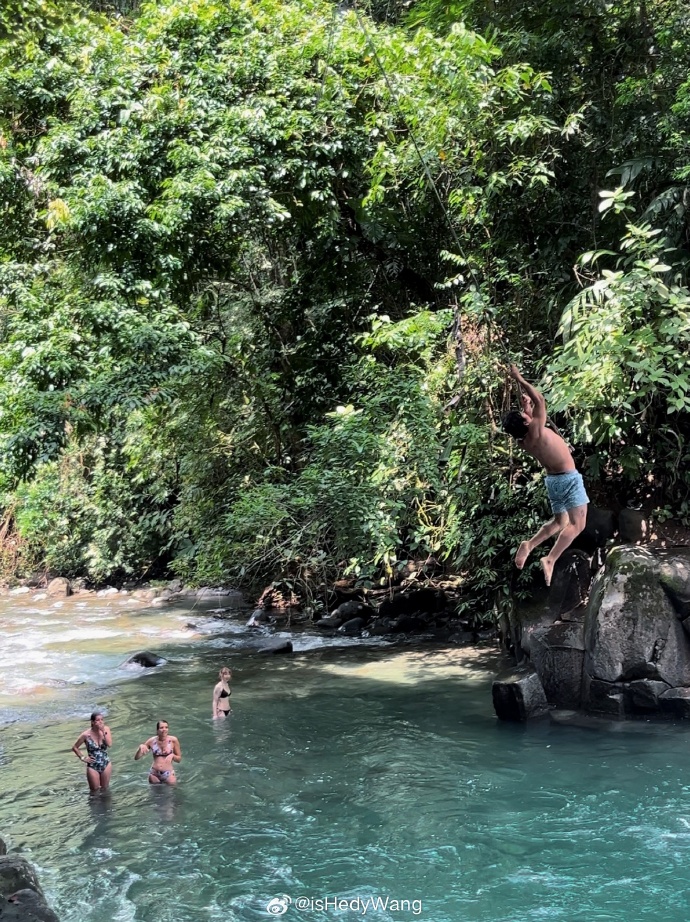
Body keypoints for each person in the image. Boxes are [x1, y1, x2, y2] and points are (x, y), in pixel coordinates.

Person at [502, 364, 589, 586]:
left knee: (560, 522)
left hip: (553, 482)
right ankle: (550, 559)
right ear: (525, 422)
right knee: (577, 526)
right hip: (568, 478)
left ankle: (530, 544)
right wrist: (519, 378)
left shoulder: (524, 441)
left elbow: (531, 422)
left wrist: (526, 408)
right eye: (523, 415)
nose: (525, 414)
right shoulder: (536, 429)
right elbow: (541, 400)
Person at [72, 711, 112, 792]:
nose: (101, 722)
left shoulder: (106, 729)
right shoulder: (86, 735)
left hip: (105, 762)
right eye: (98, 720)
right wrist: (83, 757)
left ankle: (107, 804)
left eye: (102, 719)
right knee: (95, 791)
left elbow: (109, 744)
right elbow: (75, 747)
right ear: (93, 722)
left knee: (105, 789)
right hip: (93, 765)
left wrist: (103, 732)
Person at [134, 720, 181, 784]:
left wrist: (172, 756)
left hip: (168, 773)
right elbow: (137, 758)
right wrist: (140, 748)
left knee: (171, 792)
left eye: (166, 727)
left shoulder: (173, 740)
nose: (164, 729)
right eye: (161, 728)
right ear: (157, 730)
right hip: (154, 774)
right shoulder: (151, 741)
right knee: (155, 793)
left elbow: (179, 759)